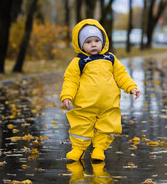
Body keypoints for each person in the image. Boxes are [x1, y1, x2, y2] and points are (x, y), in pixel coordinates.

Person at [60, 19, 141, 162]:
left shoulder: (110, 58)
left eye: (97, 40)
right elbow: (71, 80)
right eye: (88, 41)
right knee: (81, 126)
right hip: (86, 104)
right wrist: (67, 96)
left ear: (103, 41)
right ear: (80, 45)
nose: (93, 44)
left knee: (108, 126)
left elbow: (121, 74)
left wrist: (131, 87)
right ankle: (78, 149)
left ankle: (99, 149)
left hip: (109, 103)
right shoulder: (79, 61)